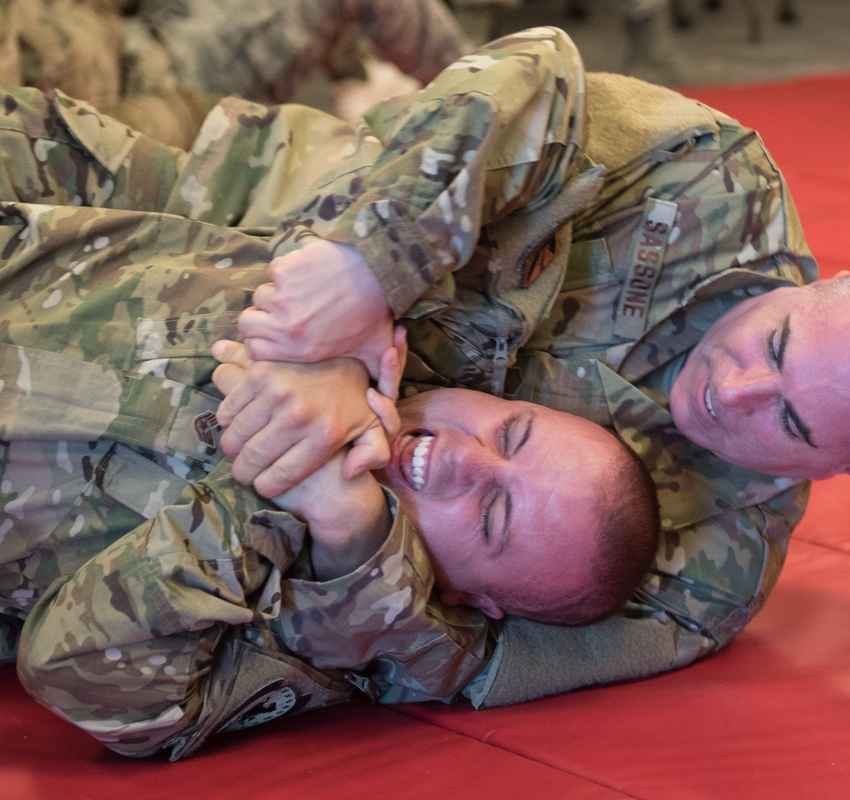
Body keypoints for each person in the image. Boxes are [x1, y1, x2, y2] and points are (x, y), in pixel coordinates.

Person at [0, 23, 850, 754]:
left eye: (787, 418)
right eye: (772, 340)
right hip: (165, 212)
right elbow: (536, 71)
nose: (730, 388)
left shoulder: (702, 579)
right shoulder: (708, 186)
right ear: (833, 278)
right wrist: (364, 266)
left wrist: (347, 520)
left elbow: (438, 659)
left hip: (145, 472)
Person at [0, 81, 659, 758]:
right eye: (509, 433)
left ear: (466, 595)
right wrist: (353, 317)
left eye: (494, 514)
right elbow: (535, 84)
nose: (467, 456)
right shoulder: (416, 313)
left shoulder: (301, 627)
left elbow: (73, 671)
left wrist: (301, 500)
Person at [1, 0, 468, 147]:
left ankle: (353, 67)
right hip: (168, 87)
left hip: (139, 34)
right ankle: (482, 94)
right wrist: (198, 116)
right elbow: (56, 154)